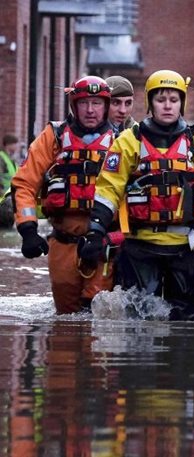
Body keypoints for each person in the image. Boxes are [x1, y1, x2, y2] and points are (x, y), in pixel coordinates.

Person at [79, 70, 194, 320]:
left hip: (186, 248)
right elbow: (108, 188)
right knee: (138, 320)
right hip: (140, 247)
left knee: (187, 320)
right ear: (150, 103)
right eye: (160, 100)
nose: (167, 106)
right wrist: (95, 230)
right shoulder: (129, 142)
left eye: (173, 100)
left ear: (181, 104)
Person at [11, 76, 116, 313]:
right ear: (73, 105)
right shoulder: (53, 137)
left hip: (103, 244)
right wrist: (28, 230)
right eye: (83, 103)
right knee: (65, 318)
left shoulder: (121, 141)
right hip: (63, 241)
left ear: (106, 106)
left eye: (97, 103)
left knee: (97, 317)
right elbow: (24, 184)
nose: (90, 110)